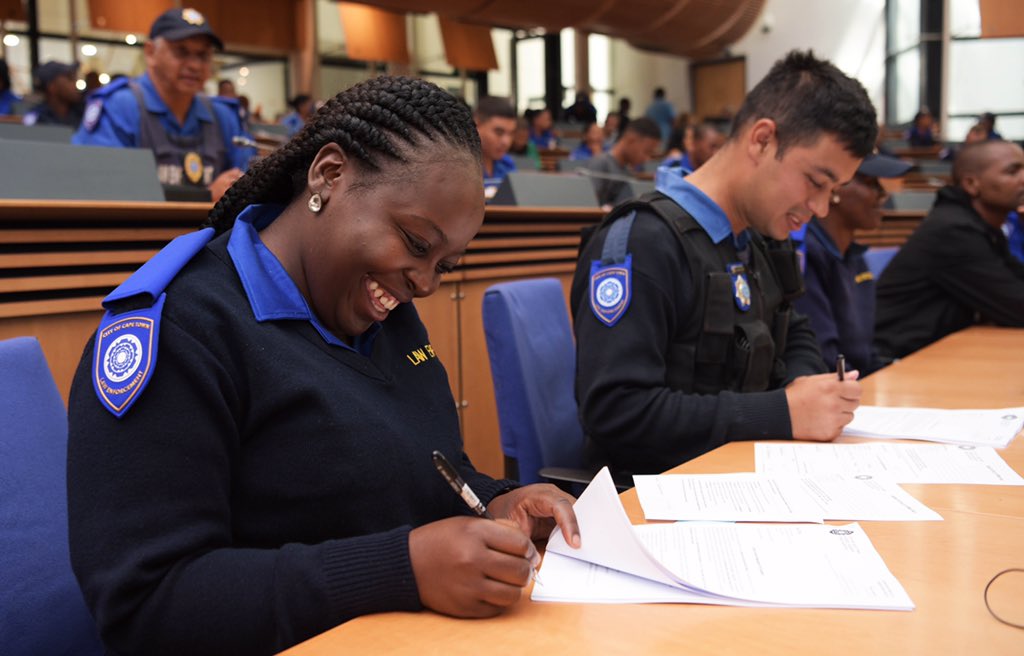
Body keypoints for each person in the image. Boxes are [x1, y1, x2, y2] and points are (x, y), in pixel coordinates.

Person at [66, 75, 580, 656]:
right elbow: (146, 604)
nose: (424, 283)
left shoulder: (379, 306)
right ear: (329, 174)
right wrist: (400, 569)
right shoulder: (183, 331)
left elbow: (424, 468)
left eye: (445, 265)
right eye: (416, 244)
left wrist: (495, 502)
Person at [571, 50, 875, 477]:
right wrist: (782, 412)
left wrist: (804, 389)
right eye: (816, 182)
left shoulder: (758, 236)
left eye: (834, 191)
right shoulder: (642, 241)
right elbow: (616, 412)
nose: (822, 208)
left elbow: (795, 328)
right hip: (655, 495)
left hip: (743, 474)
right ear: (762, 140)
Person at [72, 8, 253, 202]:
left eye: (203, 55)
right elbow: (102, 185)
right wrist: (205, 196)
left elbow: (249, 183)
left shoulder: (223, 115)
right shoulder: (119, 106)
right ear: (150, 53)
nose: (194, 65)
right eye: (181, 52)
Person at [875, 140, 1024, 361]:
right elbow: (1017, 307)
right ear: (971, 184)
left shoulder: (980, 226)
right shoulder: (953, 231)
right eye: (1013, 171)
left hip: (937, 352)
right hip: (894, 362)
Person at [793, 154, 912, 376]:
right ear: (833, 189)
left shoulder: (854, 255)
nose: (883, 194)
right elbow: (825, 361)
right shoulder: (806, 256)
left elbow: (864, 352)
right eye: (870, 183)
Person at [583, 116, 661, 208]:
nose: (647, 159)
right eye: (647, 151)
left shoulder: (628, 172)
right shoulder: (600, 163)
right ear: (631, 140)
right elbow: (587, 204)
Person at [473, 95, 517, 199]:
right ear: (476, 125)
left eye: (511, 133)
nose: (506, 142)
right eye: (499, 132)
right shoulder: (459, 167)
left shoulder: (508, 164)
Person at [23, 61, 85, 128]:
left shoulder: (85, 113)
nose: (75, 83)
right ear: (52, 87)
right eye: (70, 78)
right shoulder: (37, 118)